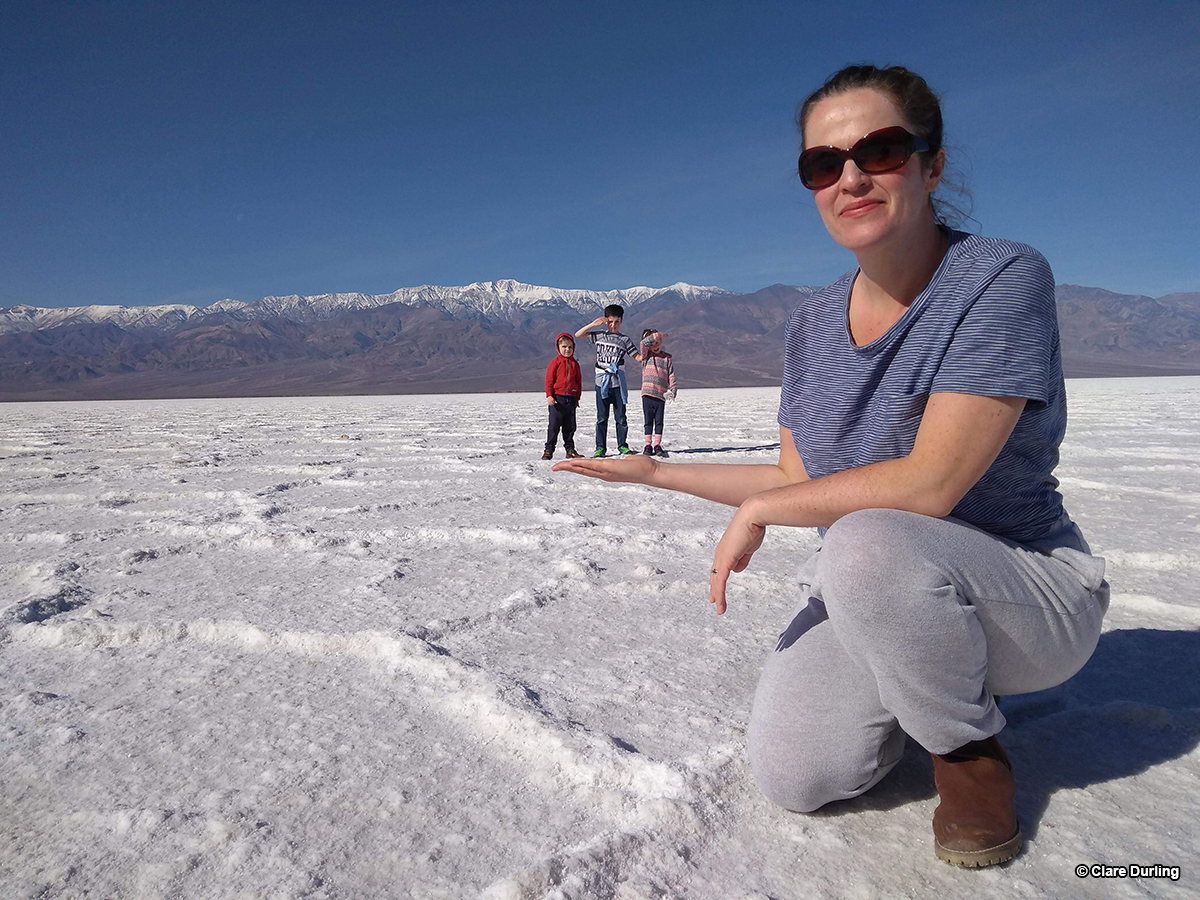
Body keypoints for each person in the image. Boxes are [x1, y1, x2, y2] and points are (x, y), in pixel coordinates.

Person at [554, 64, 1109, 869]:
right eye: (823, 163)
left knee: (867, 538)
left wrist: (759, 517)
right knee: (796, 773)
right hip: (880, 589)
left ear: (933, 163)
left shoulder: (998, 277)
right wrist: (656, 476)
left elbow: (930, 485)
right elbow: (793, 484)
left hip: (1027, 594)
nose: (850, 177)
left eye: (880, 150)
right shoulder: (811, 326)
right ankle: (921, 676)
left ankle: (967, 749)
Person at [576, 304, 643, 457]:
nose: (613, 325)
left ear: (621, 321)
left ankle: (623, 445)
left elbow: (637, 357)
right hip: (602, 384)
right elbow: (578, 334)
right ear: (606, 321)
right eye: (610, 322)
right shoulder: (599, 335)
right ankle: (600, 447)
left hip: (618, 384)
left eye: (617, 322)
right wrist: (593, 324)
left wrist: (649, 353)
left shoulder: (624, 340)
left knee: (621, 417)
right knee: (601, 417)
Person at [543, 332, 583, 460]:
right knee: (554, 426)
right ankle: (549, 450)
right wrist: (549, 396)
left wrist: (577, 398)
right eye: (564, 347)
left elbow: (578, 382)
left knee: (570, 427)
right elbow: (549, 381)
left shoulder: (575, 365)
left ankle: (570, 450)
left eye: (570, 347)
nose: (567, 350)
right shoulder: (555, 363)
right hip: (557, 400)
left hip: (570, 399)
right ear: (558, 348)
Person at [638, 328, 677, 456]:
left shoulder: (666, 359)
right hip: (648, 394)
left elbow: (671, 374)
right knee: (648, 420)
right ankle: (648, 445)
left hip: (661, 395)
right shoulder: (646, 356)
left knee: (659, 421)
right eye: (653, 343)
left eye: (658, 342)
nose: (656, 346)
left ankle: (657, 445)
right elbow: (643, 343)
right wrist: (657, 335)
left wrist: (673, 388)